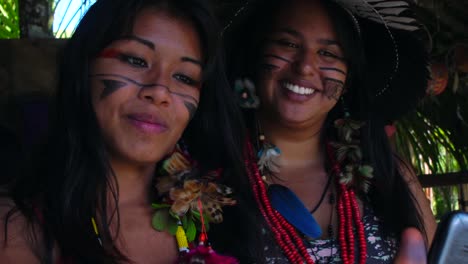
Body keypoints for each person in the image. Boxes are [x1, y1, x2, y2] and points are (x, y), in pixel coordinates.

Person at [0, 0, 245, 263]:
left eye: (185, 77)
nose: (160, 91)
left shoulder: (227, 215)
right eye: (135, 60)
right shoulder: (16, 227)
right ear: (83, 66)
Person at [210, 0, 437, 263]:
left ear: (348, 79)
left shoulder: (390, 174)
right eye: (288, 43)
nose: (305, 66)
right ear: (255, 56)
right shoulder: (203, 180)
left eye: (329, 53)